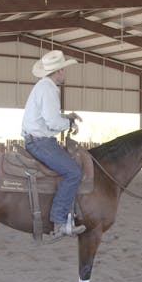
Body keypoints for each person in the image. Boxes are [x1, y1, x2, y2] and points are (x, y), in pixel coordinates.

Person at [21, 50, 85, 237]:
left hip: (36, 138)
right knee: (73, 172)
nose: (64, 73)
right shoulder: (48, 89)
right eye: (63, 70)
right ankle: (58, 220)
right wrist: (69, 123)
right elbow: (52, 123)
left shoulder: (42, 86)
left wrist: (66, 117)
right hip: (40, 142)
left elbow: (49, 117)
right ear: (58, 72)